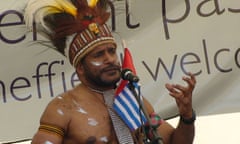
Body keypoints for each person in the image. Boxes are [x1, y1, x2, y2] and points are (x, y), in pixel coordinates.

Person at [24, 0, 196, 143]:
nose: (110, 59)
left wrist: (187, 116)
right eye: (99, 55)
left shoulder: (133, 100)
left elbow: (174, 142)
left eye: (112, 51)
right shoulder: (63, 108)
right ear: (80, 68)